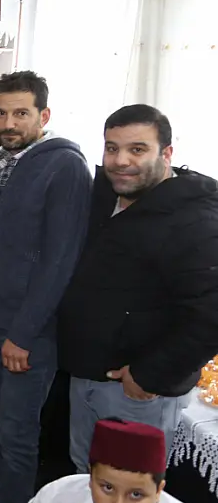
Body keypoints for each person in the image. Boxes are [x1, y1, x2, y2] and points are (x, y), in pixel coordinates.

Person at [0, 71, 92, 503]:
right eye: (1, 112)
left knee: (18, 433)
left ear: (43, 115)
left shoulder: (66, 167)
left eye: (21, 113)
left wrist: (25, 334)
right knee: (4, 419)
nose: (8, 123)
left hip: (29, 332)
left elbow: (60, 262)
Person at [59, 104, 218, 472]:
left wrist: (150, 374)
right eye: (112, 148)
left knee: (128, 490)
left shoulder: (195, 220)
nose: (121, 160)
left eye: (137, 149)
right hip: (88, 374)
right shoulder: (109, 197)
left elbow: (210, 314)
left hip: (136, 391)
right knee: (88, 476)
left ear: (167, 153)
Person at [28, 419, 188, 503]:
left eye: (136, 495)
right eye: (108, 488)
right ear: (91, 477)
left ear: (158, 491)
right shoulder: (58, 497)